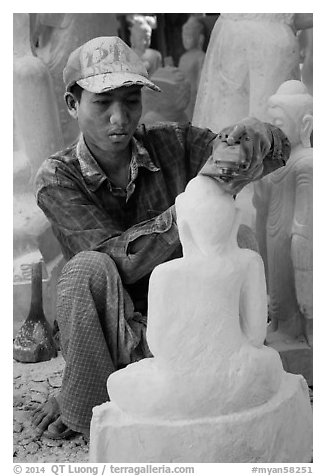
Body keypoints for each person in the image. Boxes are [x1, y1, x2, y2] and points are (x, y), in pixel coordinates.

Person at [31, 36, 290, 440]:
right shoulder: (57, 177)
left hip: (190, 328)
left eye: (131, 101)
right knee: (86, 269)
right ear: (72, 105)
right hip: (114, 334)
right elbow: (118, 259)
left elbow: (268, 153)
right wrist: (192, 204)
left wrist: (257, 136)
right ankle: (88, 398)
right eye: (102, 103)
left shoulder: (174, 142)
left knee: (237, 237)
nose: (119, 118)